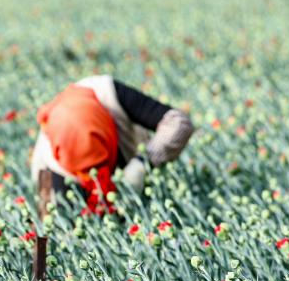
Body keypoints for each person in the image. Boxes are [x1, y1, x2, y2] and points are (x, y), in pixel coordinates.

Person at [31, 75, 194, 213]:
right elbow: (57, 228)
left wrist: (143, 162)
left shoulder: (107, 93)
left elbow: (178, 123)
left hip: (152, 197)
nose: (97, 171)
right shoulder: (50, 166)